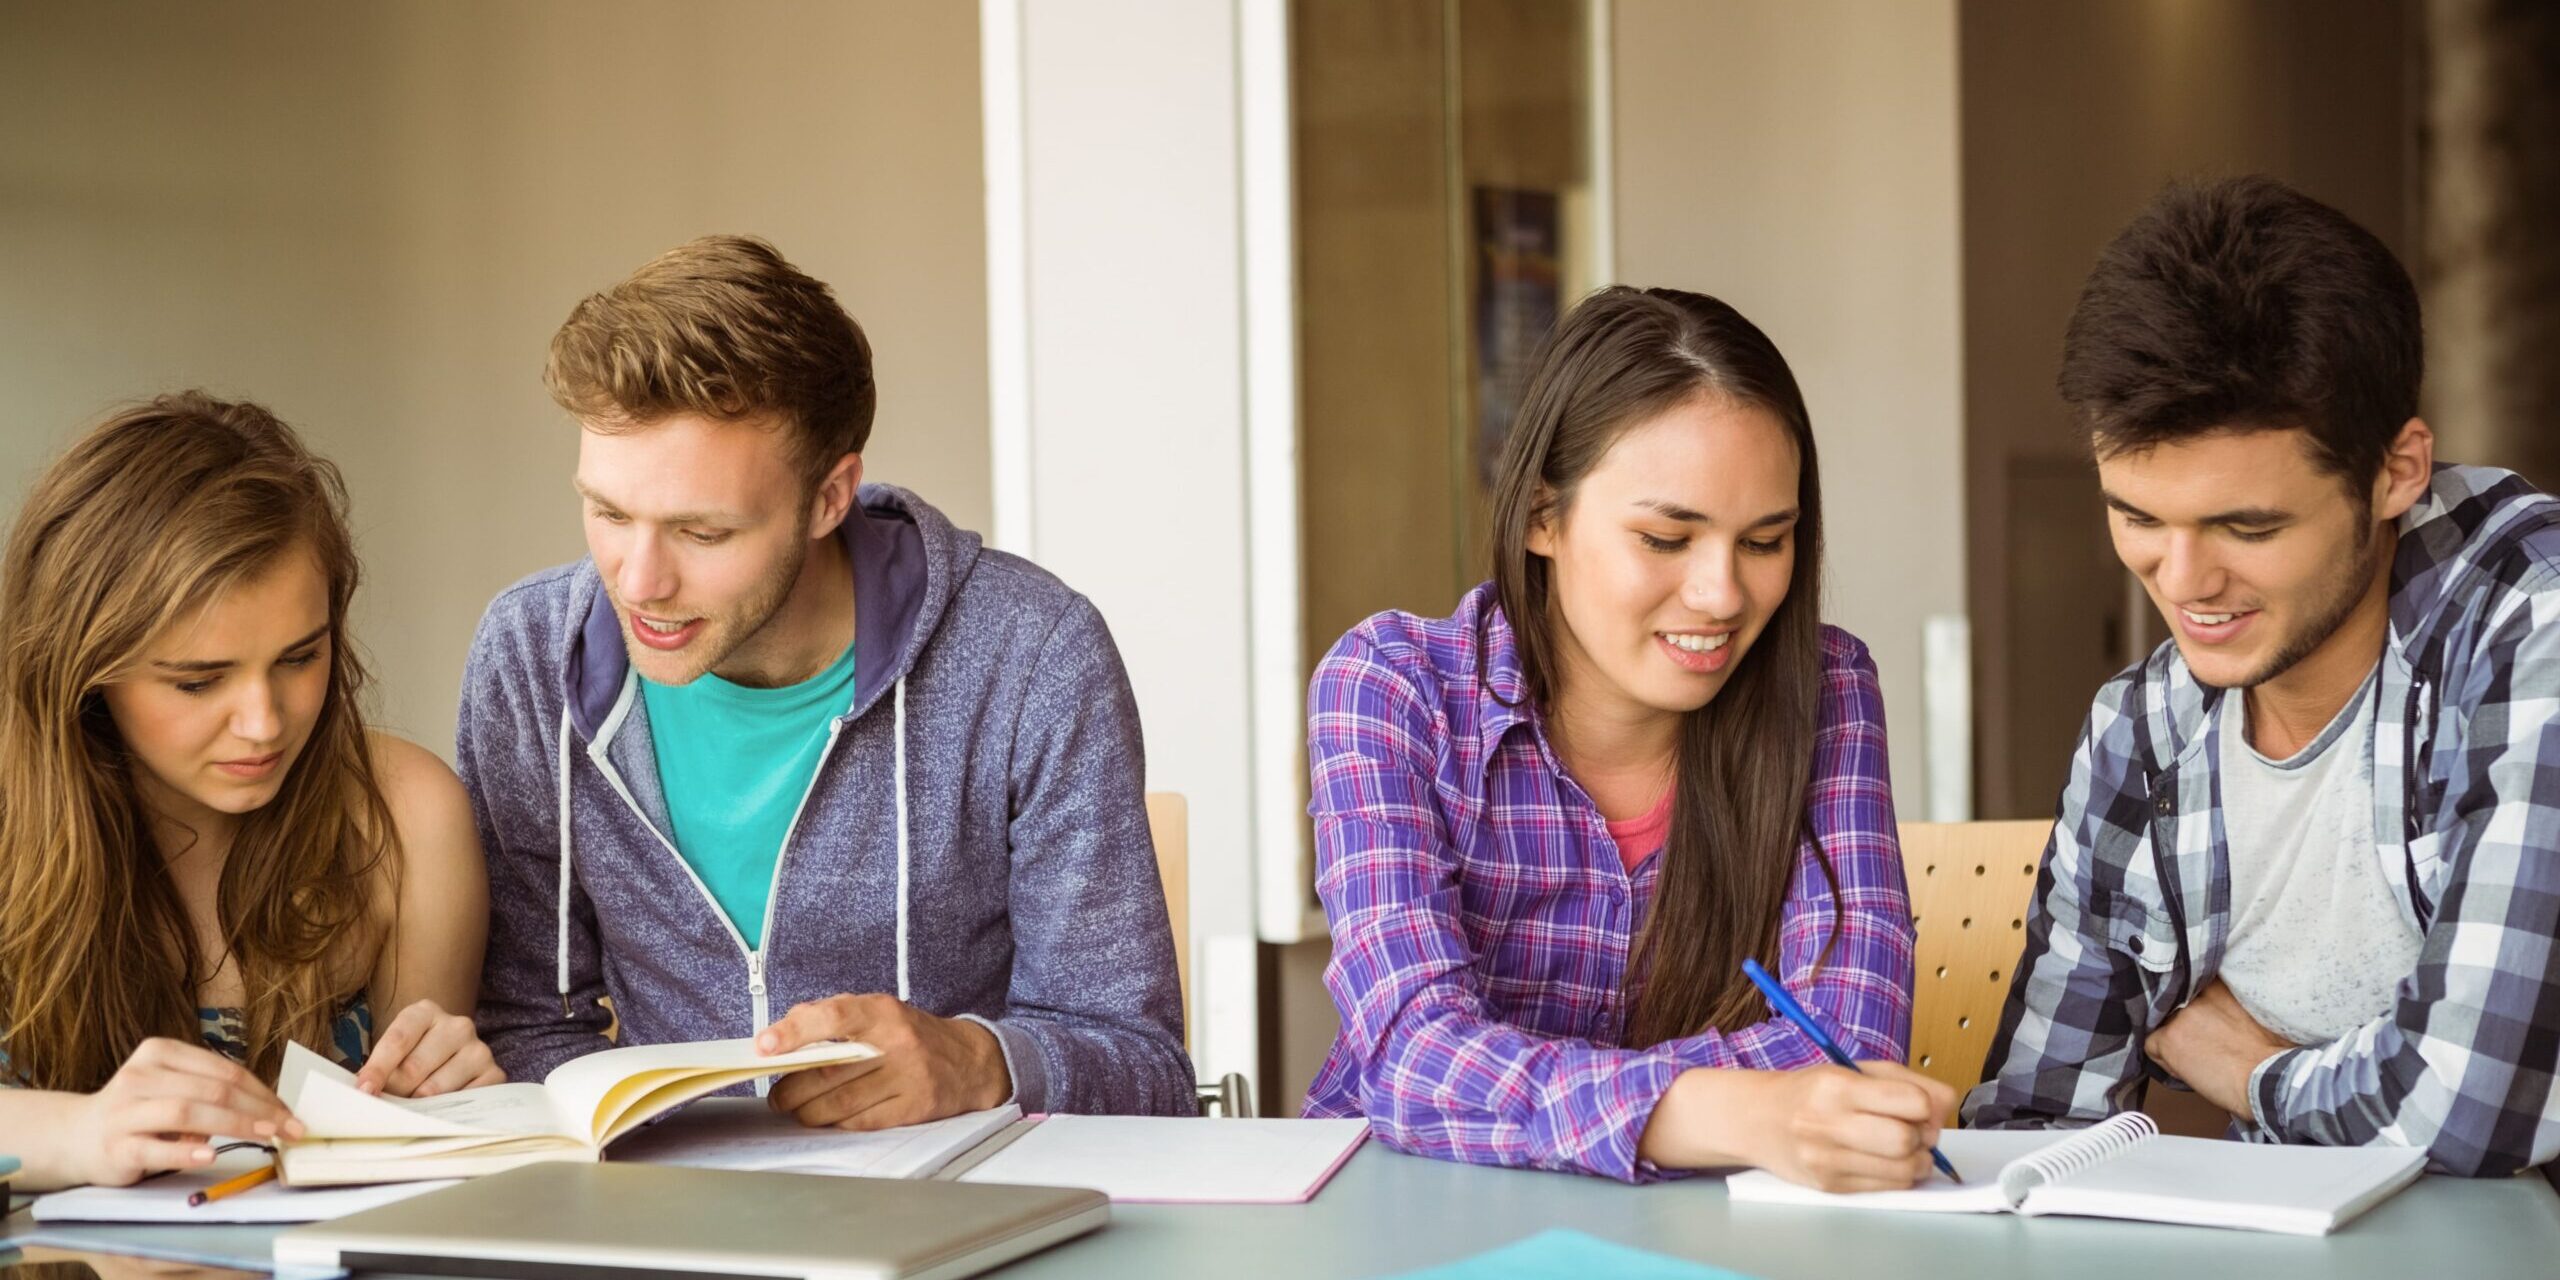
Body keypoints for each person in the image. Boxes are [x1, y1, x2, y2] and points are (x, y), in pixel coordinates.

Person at [464, 236, 1192, 1128]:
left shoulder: (1032, 656)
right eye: (609, 512)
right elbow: (524, 1028)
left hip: (956, 1225)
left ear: (829, 497)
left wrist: (980, 1063)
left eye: (702, 533)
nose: (638, 581)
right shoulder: (532, 656)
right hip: (662, 1223)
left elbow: (1148, 1072)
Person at [1966, 176, 2560, 1176]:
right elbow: (2030, 1121)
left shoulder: (2529, 631)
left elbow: (2468, 1108)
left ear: (2395, 472)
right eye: (2138, 518)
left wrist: (2252, 1074)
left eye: (2247, 526)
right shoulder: (2143, 729)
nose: (2185, 583)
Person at [1301, 286, 1946, 1188]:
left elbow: (1849, 1040)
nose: (1722, 595)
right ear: (1540, 517)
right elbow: (1411, 1058)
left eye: (1765, 542)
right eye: (1664, 537)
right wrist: (1722, 1109)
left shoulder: (1826, 691)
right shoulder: (1393, 686)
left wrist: (1747, 1111)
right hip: (1411, 1219)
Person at [0, 393, 495, 1189]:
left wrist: (451, 1104)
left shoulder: (406, 817)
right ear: (84, 674)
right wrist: (78, 1130)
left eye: (300, 658)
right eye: (199, 682)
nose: (265, 724)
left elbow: (404, 1164)